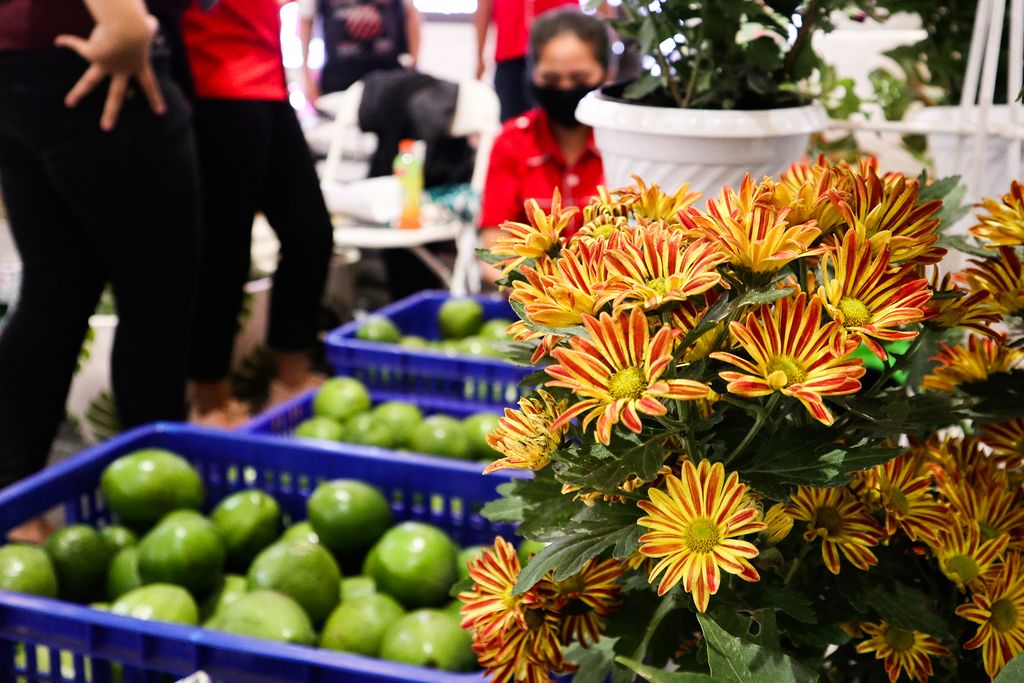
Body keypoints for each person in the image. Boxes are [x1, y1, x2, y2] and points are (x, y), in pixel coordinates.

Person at [0, 0, 200, 530]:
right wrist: (125, 19)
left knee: (55, 289)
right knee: (157, 294)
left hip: (19, 58)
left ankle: (14, 509)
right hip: (83, 47)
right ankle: (158, 520)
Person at [181, 0, 334, 426]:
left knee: (311, 235)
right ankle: (209, 402)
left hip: (268, 84)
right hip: (214, 87)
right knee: (224, 252)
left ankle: (290, 380)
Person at [478, 8, 607, 285]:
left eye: (579, 79)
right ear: (532, 73)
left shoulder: (627, 144)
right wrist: (533, 291)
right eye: (551, 79)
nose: (565, 87)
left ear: (606, 73)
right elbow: (493, 243)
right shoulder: (512, 142)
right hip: (535, 303)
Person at [475, 0, 581, 122]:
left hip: (562, 53)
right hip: (510, 52)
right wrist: (479, 57)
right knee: (512, 124)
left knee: (563, 120)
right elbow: (484, 7)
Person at [298, 0, 421, 101]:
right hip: (339, 77)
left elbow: (411, 16)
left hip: (388, 75)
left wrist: (413, 65)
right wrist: (307, 79)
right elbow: (305, 21)